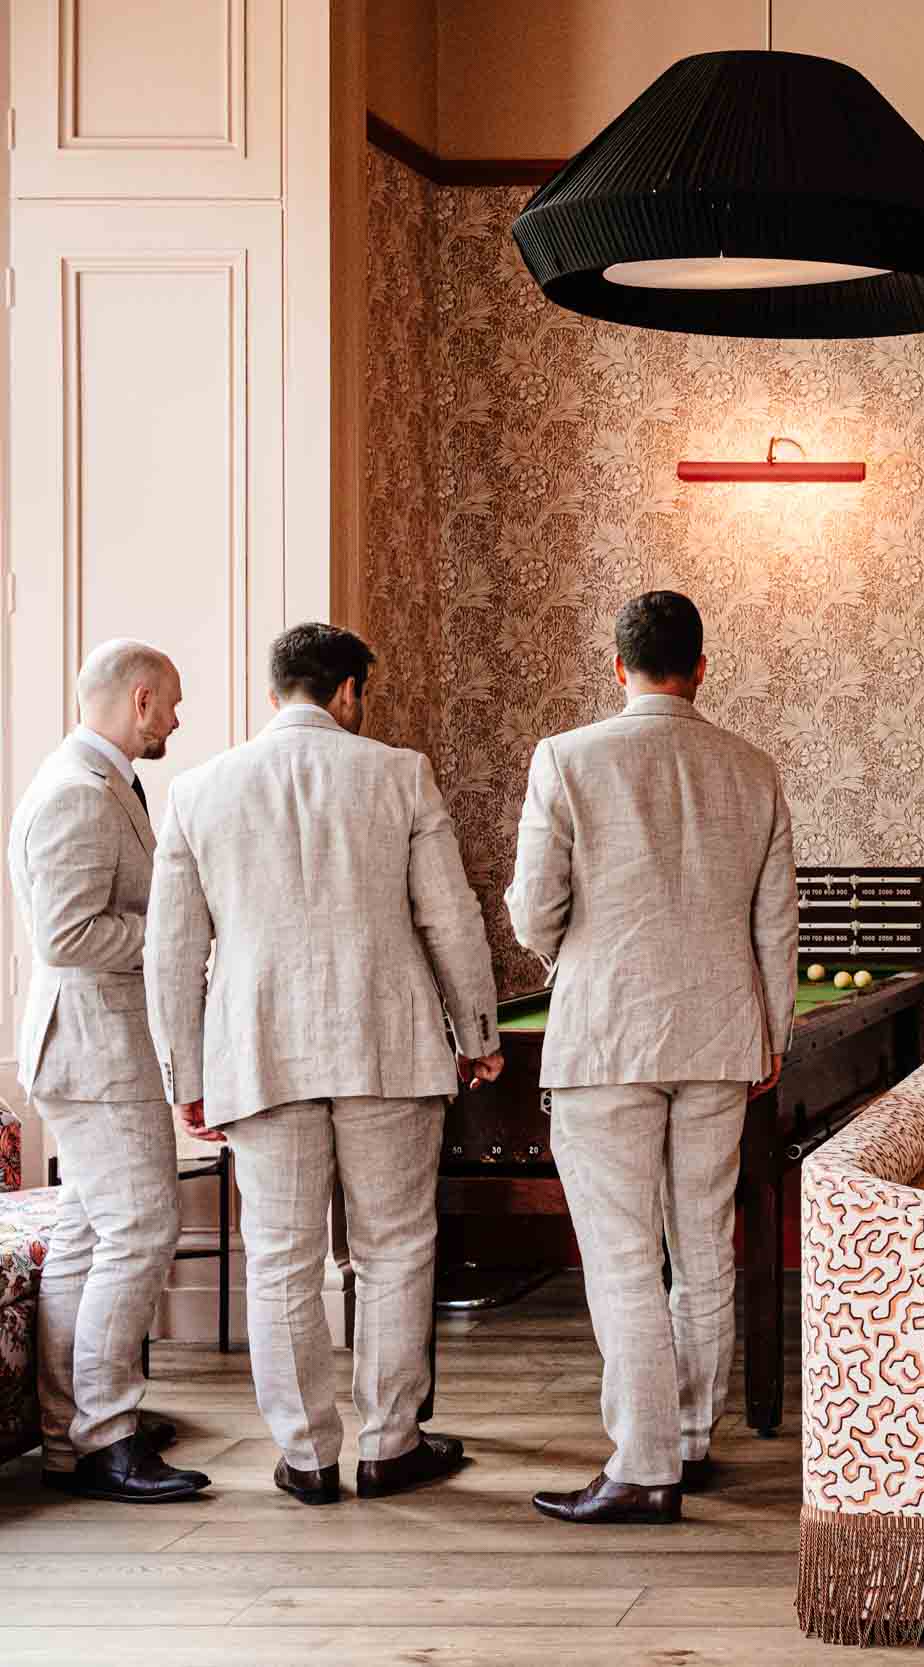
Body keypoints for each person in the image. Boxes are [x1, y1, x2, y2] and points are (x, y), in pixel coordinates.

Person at [145, 623, 499, 1506]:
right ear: (347, 692)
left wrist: (184, 1075)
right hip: (388, 1045)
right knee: (395, 1251)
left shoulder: (198, 792)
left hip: (259, 1052)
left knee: (280, 1260)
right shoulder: (398, 773)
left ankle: (305, 1456)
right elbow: (449, 916)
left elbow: (171, 952)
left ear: (276, 693)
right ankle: (389, 1444)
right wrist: (479, 1031)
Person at [508, 591, 798, 1526]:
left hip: (604, 1034)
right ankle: (692, 1439)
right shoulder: (754, 768)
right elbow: (777, 925)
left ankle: (642, 1464)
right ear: (702, 666)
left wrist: (577, 956)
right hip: (720, 1035)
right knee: (704, 1247)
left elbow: (530, 910)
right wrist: (773, 1034)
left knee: (625, 1256)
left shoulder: (567, 758)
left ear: (617, 665)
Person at [9, 640, 205, 1502]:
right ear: (137, 699)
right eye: (169, 703)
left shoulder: (100, 782)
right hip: (90, 1047)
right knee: (142, 1228)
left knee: (89, 1234)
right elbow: (67, 936)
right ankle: (103, 1436)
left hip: (92, 1043)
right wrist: (175, 946)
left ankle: (73, 1433)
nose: (176, 718)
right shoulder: (77, 794)